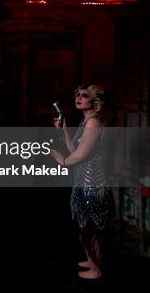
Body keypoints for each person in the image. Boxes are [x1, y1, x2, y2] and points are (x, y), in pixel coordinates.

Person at [49, 84, 114, 280]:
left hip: (92, 182)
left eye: (84, 95)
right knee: (86, 227)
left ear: (94, 101)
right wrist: (65, 130)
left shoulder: (93, 123)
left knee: (90, 230)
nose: (78, 98)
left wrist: (63, 162)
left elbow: (80, 155)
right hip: (85, 181)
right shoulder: (87, 122)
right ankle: (92, 260)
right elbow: (74, 149)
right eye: (77, 94)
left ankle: (96, 269)